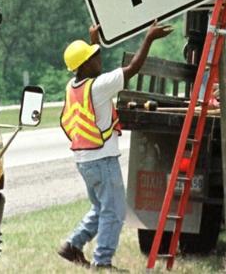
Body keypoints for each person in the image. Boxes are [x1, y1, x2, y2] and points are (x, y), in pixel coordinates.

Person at [57, 21, 172, 269]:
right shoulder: (99, 86)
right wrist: (149, 38)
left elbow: (94, 69)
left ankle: (72, 246)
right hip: (102, 160)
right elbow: (132, 69)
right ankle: (102, 262)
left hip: (84, 160)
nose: (99, 58)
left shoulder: (73, 86)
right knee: (115, 211)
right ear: (85, 65)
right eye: (94, 57)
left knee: (100, 208)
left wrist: (94, 41)